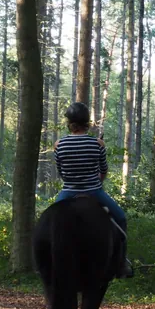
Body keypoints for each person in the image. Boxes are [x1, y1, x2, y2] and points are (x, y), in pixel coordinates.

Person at [54, 102, 133, 279]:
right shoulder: (97, 143)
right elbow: (103, 170)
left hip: (68, 193)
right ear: (87, 123)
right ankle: (121, 264)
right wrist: (96, 179)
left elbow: (61, 172)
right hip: (94, 192)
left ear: (70, 123)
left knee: (49, 221)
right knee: (120, 218)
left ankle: (46, 261)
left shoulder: (59, 145)